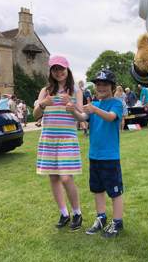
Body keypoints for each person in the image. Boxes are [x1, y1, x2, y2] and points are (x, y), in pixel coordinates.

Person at [33, 56, 85, 230]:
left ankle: (77, 212)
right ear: (51, 71)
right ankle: (64, 214)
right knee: (53, 177)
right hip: (49, 139)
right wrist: (43, 104)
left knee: (65, 177)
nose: (59, 72)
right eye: (55, 69)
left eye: (61, 68)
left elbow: (82, 115)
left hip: (67, 139)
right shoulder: (45, 90)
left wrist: (71, 106)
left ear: (67, 69)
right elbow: (35, 116)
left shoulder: (75, 90)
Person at [82, 69, 124, 238]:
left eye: (105, 84)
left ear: (112, 87)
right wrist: (71, 109)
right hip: (94, 156)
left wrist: (93, 109)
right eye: (98, 84)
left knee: (115, 192)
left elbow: (110, 117)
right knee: (97, 189)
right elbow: (81, 117)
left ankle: (117, 222)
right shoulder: (94, 106)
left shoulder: (116, 103)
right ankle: (101, 218)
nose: (101, 87)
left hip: (110, 157)